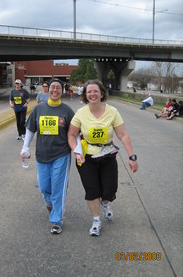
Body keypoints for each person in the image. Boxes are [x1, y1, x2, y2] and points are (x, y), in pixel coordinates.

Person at [68, 80, 138, 236]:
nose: (92, 94)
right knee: (92, 189)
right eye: (89, 92)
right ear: (85, 95)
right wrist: (76, 151)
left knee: (109, 190)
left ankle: (105, 204)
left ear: (101, 93)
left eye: (95, 91)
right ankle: (96, 220)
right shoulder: (81, 113)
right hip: (86, 157)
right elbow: (71, 135)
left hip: (107, 155)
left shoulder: (112, 111)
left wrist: (131, 156)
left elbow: (122, 134)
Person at [21, 79, 74, 235]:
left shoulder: (68, 111)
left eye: (58, 88)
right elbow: (30, 129)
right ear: (48, 89)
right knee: (44, 187)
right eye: (52, 87)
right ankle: (50, 203)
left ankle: (56, 220)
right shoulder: (39, 109)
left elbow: (74, 133)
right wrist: (25, 148)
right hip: (42, 155)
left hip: (61, 154)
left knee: (58, 188)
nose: (55, 90)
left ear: (62, 91)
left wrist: (77, 150)